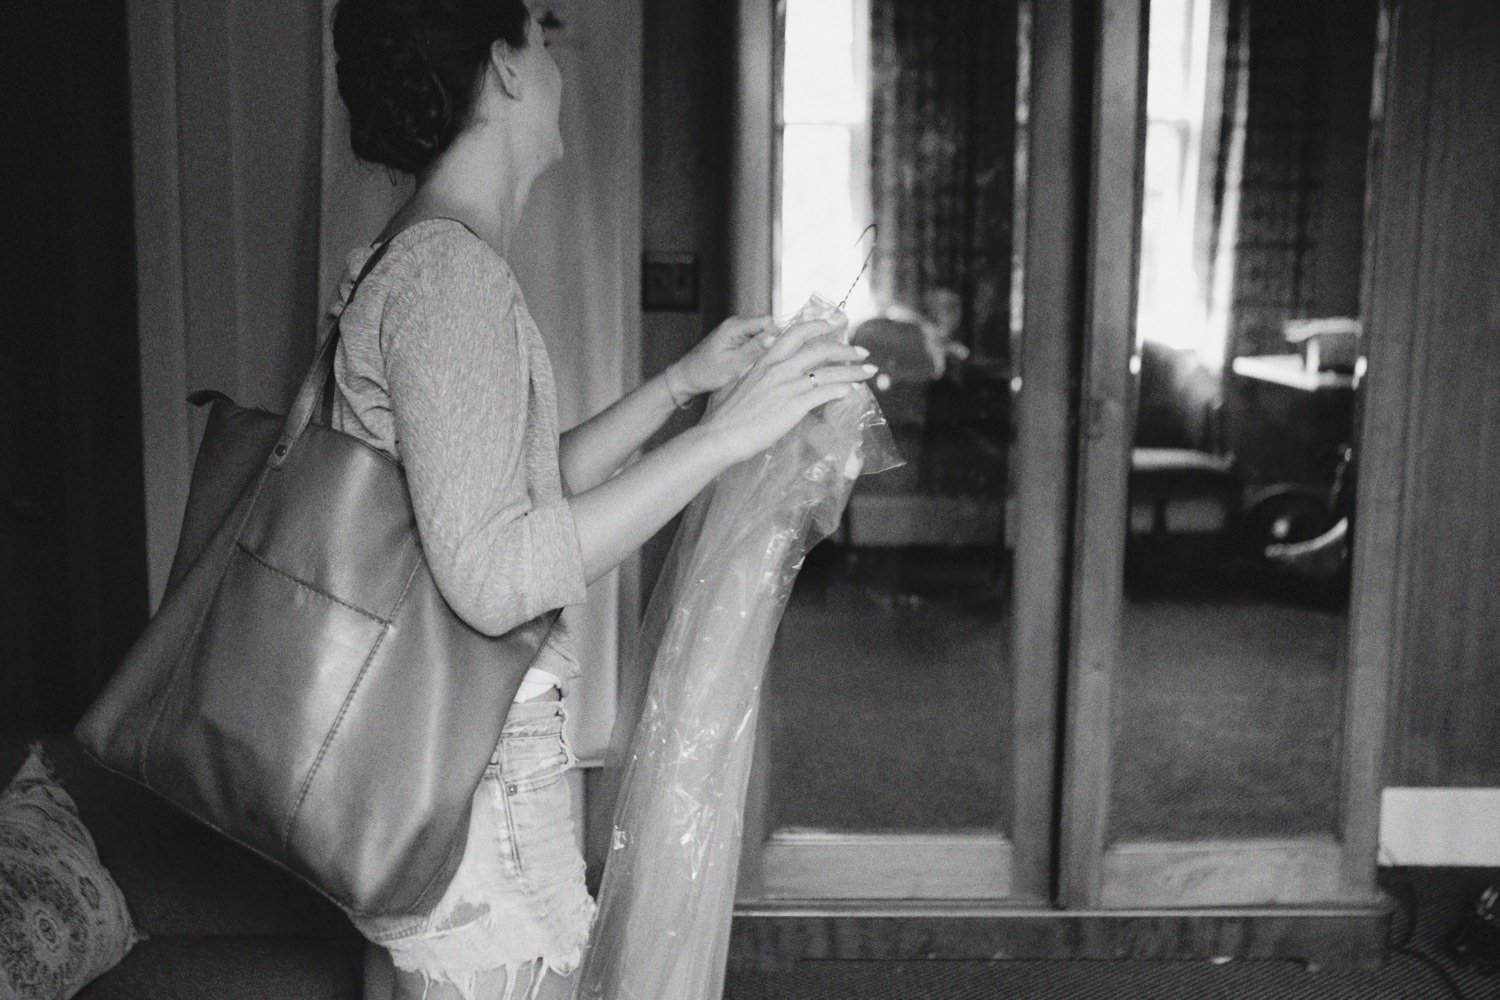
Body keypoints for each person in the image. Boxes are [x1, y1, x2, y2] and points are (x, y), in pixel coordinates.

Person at [328, 2, 877, 998]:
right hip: (474, 780)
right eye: (541, 36)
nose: (556, 63)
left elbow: (503, 494)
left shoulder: (423, 258)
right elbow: (495, 576)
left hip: (438, 768)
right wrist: (724, 438)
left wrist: (679, 390)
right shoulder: (449, 277)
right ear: (501, 68)